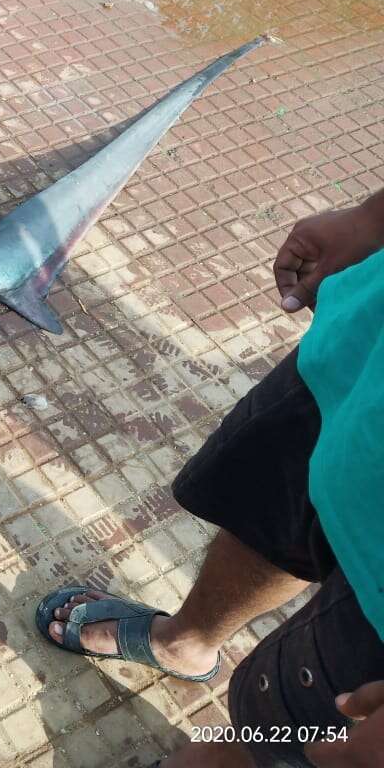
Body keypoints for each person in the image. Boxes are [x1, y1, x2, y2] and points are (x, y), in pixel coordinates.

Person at [36, 190, 384, 767]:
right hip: (361, 349)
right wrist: (374, 219)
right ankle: (185, 642)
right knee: (267, 509)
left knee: (265, 741)